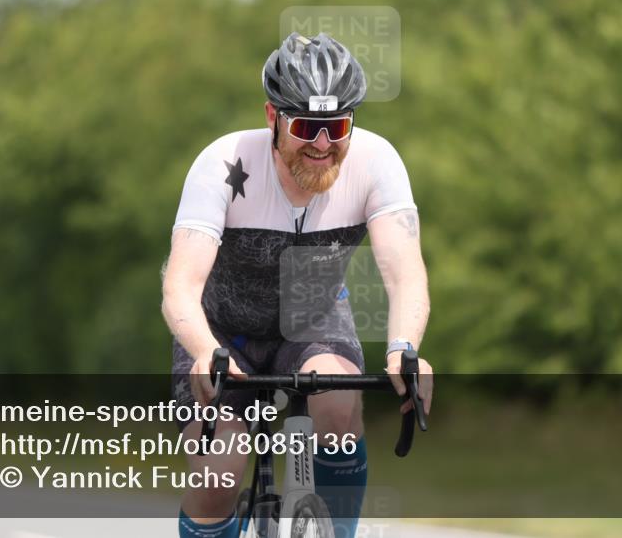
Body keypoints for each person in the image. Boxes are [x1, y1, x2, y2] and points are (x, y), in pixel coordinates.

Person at [162, 32, 433, 538]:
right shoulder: (222, 163)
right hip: (221, 331)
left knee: (335, 402)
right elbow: (180, 284)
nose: (324, 144)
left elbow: (405, 271)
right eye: (307, 126)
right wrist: (202, 350)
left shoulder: (376, 162)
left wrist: (403, 348)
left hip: (314, 320)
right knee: (221, 469)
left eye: (337, 126)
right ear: (273, 118)